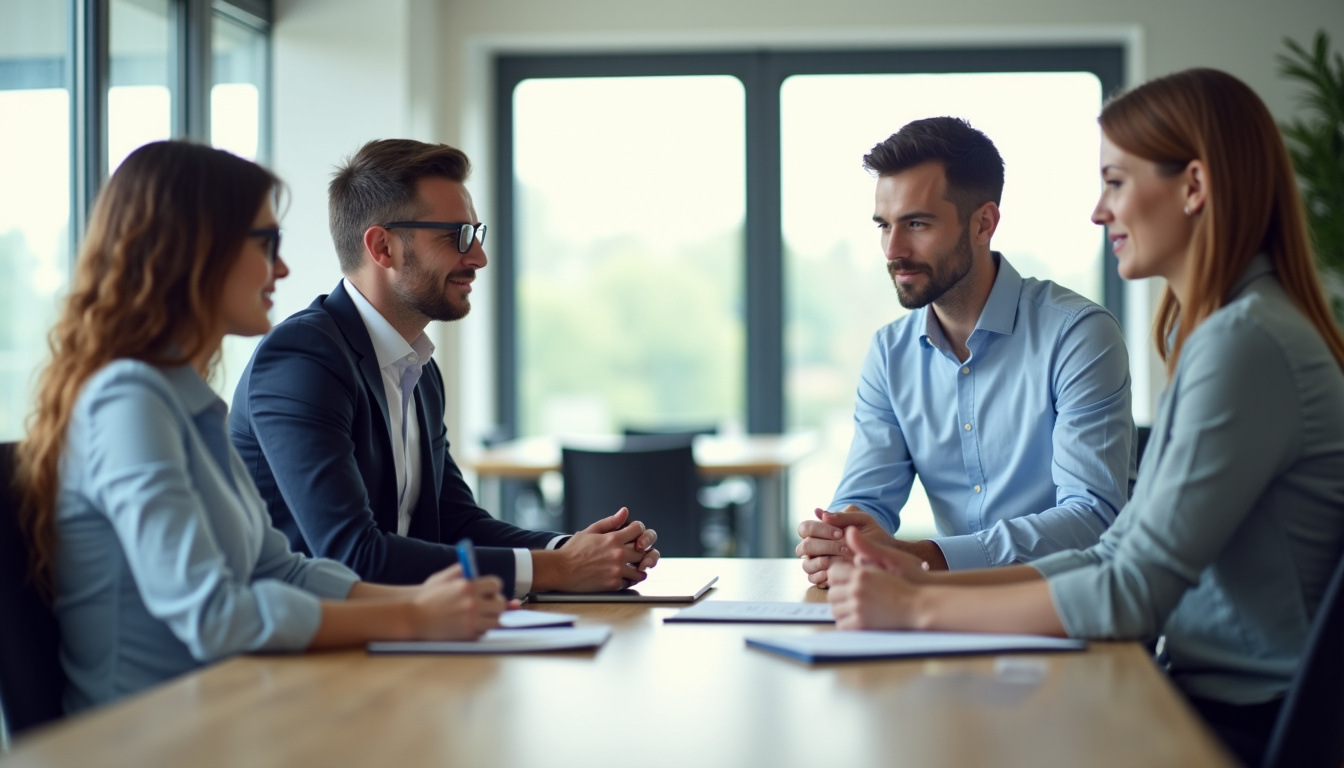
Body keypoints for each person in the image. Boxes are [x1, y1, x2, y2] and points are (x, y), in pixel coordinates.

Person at [826, 69, 1344, 766]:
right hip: (1208, 696)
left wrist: (918, 607)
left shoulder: (1243, 343)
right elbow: (1115, 555)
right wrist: (922, 578)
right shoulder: (1225, 334)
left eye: (1116, 182)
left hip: (1246, 723)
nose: (1099, 212)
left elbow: (1132, 591)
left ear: (1193, 188)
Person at [12, 141, 508, 713]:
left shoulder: (183, 399)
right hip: (154, 738)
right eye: (266, 244)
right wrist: (410, 615)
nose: (283, 268)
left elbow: (278, 568)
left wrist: (435, 602)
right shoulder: (128, 402)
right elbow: (214, 616)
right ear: (197, 251)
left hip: (229, 710)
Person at [229, 139, 658, 597]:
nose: (478, 258)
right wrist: (556, 570)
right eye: (457, 236)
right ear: (383, 247)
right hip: (301, 652)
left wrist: (572, 550)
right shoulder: (303, 357)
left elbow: (457, 523)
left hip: (391, 638)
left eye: (476, 234)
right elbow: (351, 556)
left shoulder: (417, 367)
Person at [797, 117, 1134, 584]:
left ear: (984, 223)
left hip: (1064, 607)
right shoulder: (889, 353)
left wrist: (923, 557)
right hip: (945, 611)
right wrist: (840, 539)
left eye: (916, 223)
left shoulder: (1078, 335)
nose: (893, 249)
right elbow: (868, 498)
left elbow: (1091, 518)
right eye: (884, 225)